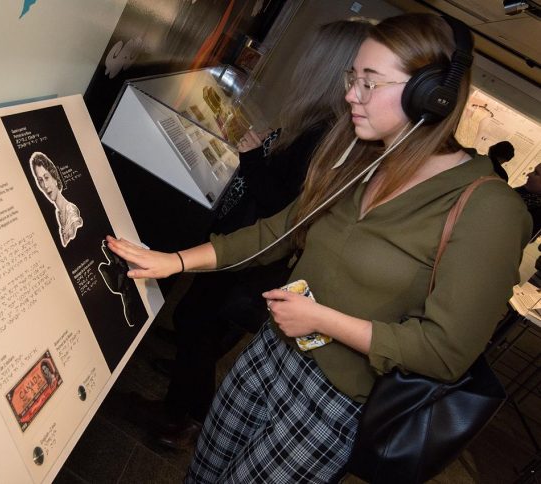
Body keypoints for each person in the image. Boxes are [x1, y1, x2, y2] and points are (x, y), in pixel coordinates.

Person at [106, 13, 531, 483]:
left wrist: (322, 320)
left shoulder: (489, 209)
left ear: (432, 96)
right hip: (269, 353)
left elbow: (446, 351)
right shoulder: (363, 156)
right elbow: (279, 232)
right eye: (354, 77)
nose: (351, 93)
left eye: (370, 82)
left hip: (335, 402)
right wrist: (175, 261)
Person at [146, 18, 372, 450]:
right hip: (259, 254)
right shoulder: (331, 126)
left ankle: (183, 418)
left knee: (198, 323)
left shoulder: (324, 130)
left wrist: (251, 158)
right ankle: (185, 396)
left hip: (257, 255)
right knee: (200, 325)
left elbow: (279, 206)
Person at [30, 152, 83, 247]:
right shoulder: (59, 213)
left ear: (54, 178)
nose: (45, 186)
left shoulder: (71, 211)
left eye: (46, 177)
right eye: (40, 180)